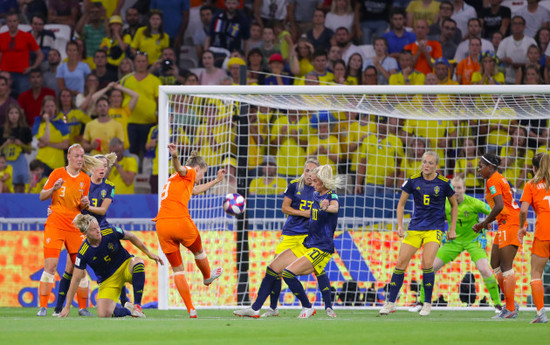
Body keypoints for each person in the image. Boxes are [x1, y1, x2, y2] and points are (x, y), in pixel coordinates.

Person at [234, 164, 343, 318]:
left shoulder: (331, 196)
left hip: (321, 248)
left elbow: (335, 208)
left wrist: (326, 208)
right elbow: (290, 203)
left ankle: (312, 306)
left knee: (290, 273)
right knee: (272, 268)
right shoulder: (314, 194)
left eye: (316, 181)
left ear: (323, 182)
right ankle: (255, 308)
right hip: (307, 243)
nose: (313, 183)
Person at [408, 176, 502, 313]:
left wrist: (486, 223)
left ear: (464, 189)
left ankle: (498, 305)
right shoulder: (444, 204)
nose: (456, 191)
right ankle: (422, 302)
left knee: (485, 270)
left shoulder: (474, 203)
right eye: (453, 188)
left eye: (459, 188)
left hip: (473, 241)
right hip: (453, 242)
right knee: (430, 266)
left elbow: (496, 212)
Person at [380, 151, 457, 317]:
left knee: (427, 263)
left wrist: (452, 229)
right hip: (415, 228)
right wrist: (400, 226)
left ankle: (427, 304)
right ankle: (391, 302)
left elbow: (454, 205)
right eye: (424, 162)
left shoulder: (444, 183)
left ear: (436, 165)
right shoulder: (413, 180)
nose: (426, 165)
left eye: (430, 163)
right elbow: (401, 205)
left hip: (434, 229)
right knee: (400, 263)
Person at [153, 144, 225, 318]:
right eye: (203, 173)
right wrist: (175, 156)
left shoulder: (176, 180)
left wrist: (216, 181)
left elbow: (196, 190)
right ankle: (207, 276)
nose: (201, 177)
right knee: (199, 251)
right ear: (198, 168)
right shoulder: (189, 171)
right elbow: (180, 168)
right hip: (179, 221)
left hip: (162, 225)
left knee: (178, 270)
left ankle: (191, 309)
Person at [36, 144, 99, 316]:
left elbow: (82, 204)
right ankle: (42, 307)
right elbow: (42, 196)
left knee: (81, 268)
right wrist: (53, 188)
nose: (80, 159)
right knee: (51, 265)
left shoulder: (85, 179)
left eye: (82, 156)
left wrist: (85, 204)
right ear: (69, 157)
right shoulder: (57, 173)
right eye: (77, 156)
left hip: (74, 226)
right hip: (55, 224)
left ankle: (83, 308)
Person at [58, 214, 163, 318]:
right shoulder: (83, 253)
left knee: (138, 262)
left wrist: (149, 253)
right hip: (108, 280)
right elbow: (75, 279)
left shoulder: (110, 231)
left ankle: (137, 306)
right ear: (85, 233)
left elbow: (131, 236)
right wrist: (67, 306)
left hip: (125, 265)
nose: (98, 230)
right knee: (103, 314)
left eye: (98, 227)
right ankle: (128, 310)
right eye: (93, 229)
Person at [473, 153, 521, 319]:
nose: (479, 169)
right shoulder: (495, 179)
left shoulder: (493, 180)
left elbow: (499, 205)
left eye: (481, 166)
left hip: (511, 222)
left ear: (490, 168)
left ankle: (510, 309)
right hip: (504, 223)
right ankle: (511, 304)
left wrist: (483, 223)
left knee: (506, 266)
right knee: (495, 264)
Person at [519, 152, 550, 324]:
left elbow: (523, 210)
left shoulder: (531, 185)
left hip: (544, 232)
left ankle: (540, 314)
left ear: (533, 168)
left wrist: (522, 227)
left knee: (536, 273)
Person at [0, 12, 44, 97]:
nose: (12, 24)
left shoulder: (27, 36)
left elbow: (40, 55)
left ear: (18, 22)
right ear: (6, 23)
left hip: (22, 74)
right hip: (5, 74)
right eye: (10, 21)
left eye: (14, 21)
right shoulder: (1, 37)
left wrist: (33, 67)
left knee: (23, 98)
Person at [0, 105, 32, 193]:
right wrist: (5, 144)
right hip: (6, 161)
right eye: (11, 113)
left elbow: (29, 151)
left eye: (16, 113)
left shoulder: (25, 129)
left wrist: (21, 144)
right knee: (5, 182)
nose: (14, 116)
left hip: (20, 160)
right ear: (7, 115)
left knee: (20, 184)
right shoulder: (2, 129)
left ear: (19, 115)